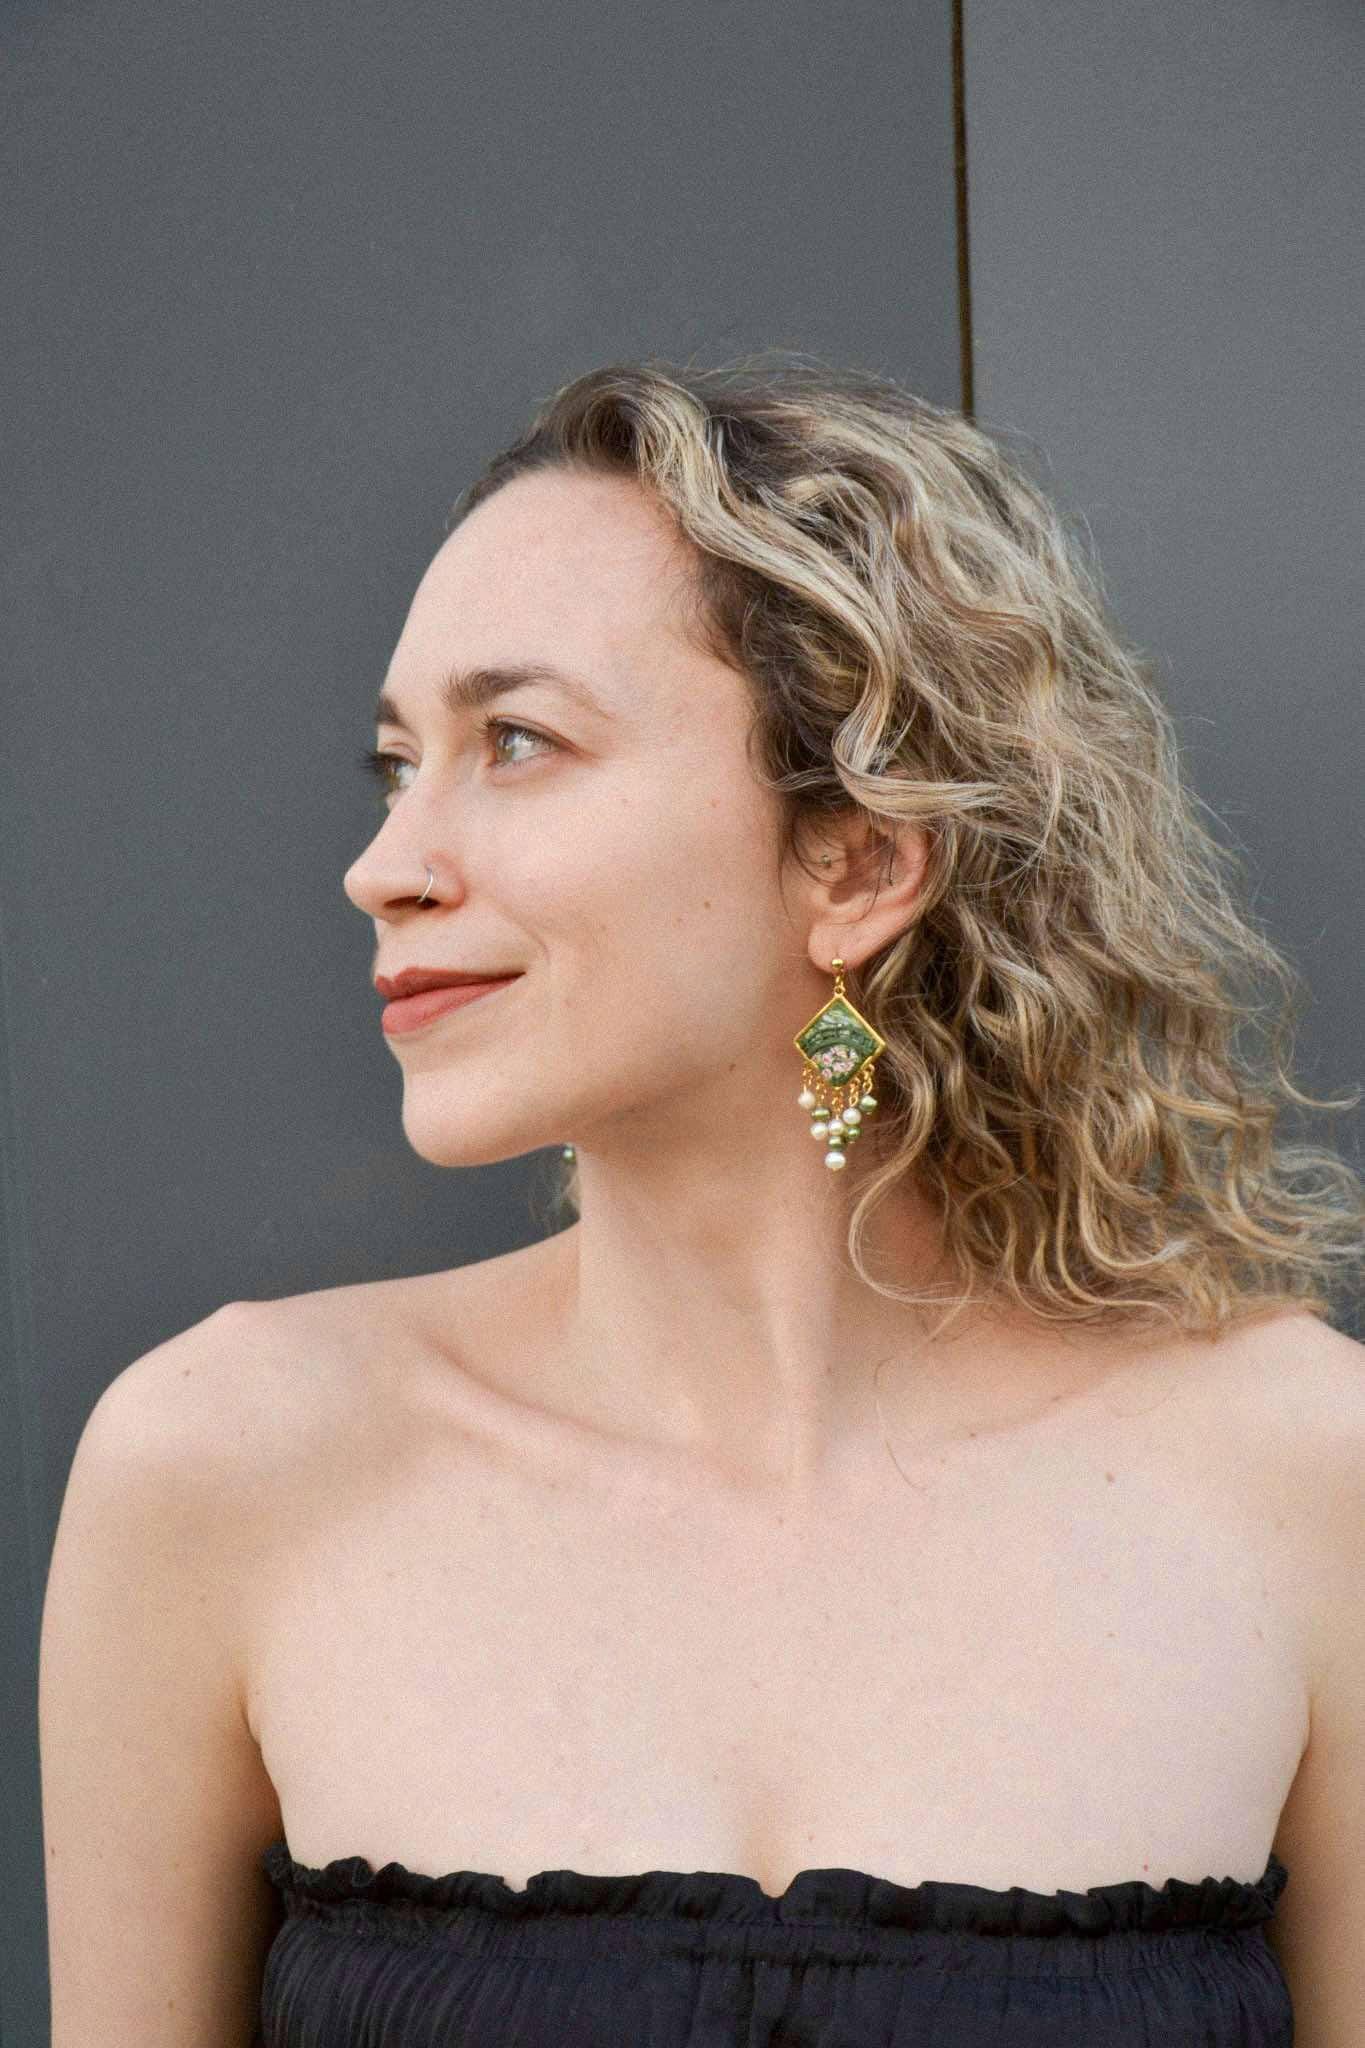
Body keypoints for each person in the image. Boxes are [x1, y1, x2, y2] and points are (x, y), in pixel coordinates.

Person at [39, 358, 1365, 2045]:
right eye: (395, 764)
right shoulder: (226, 1465)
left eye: (516, 743)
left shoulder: (1303, 1480)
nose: (386, 865)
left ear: (858, 861)